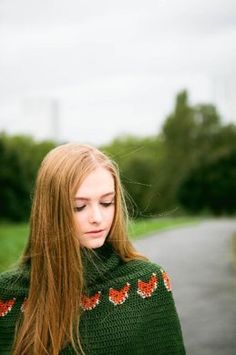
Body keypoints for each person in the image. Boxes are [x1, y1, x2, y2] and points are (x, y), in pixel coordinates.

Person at [0, 143, 186, 355]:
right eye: (79, 206)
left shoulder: (147, 283)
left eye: (107, 203)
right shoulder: (7, 295)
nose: (97, 218)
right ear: (51, 212)